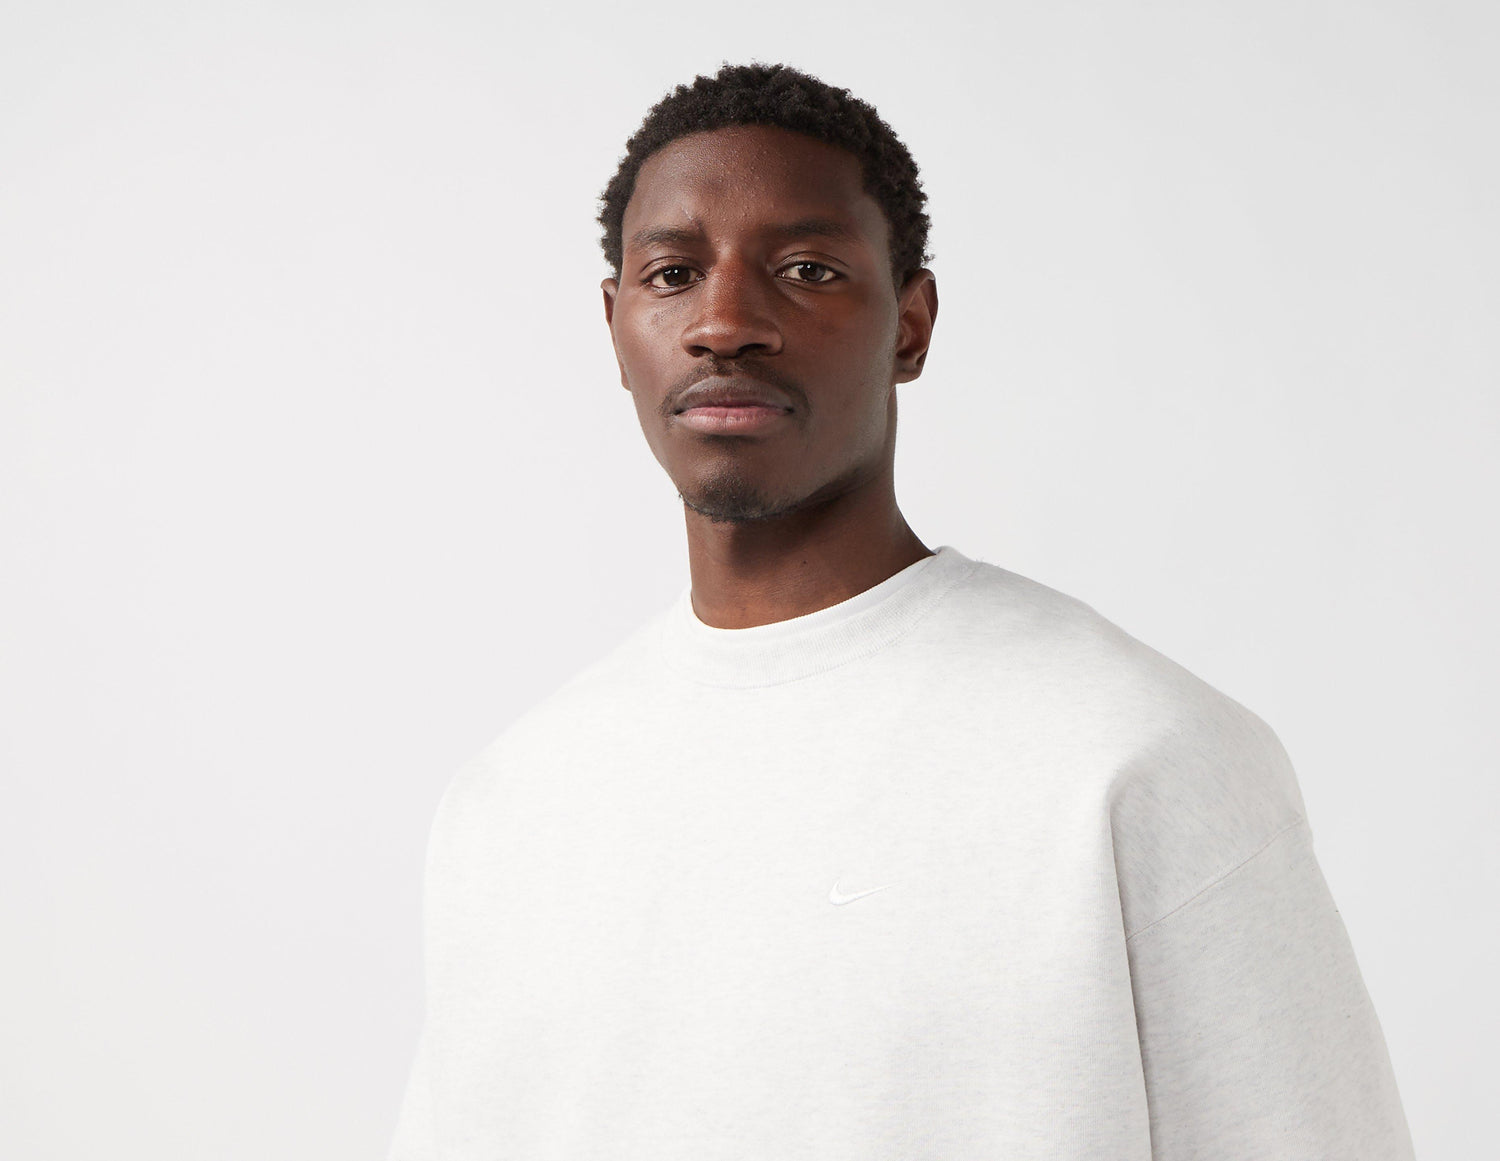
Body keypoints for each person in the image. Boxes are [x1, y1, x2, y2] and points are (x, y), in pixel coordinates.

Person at [390, 62, 1413, 1160]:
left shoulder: (1137, 756)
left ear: (910, 326)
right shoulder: (512, 804)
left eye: (807, 269)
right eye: (674, 274)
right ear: (615, 326)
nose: (724, 322)